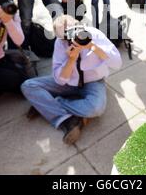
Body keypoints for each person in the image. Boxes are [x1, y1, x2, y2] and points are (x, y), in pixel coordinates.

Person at [21, 15, 122, 144]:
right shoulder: (60, 43)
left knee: (96, 108)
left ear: (79, 25)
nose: (72, 38)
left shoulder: (94, 34)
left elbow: (116, 63)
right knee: (28, 86)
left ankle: (48, 105)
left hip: (93, 82)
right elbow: (60, 80)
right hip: (69, 82)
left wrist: (93, 47)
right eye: (65, 36)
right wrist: (71, 59)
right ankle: (67, 117)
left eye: (73, 30)